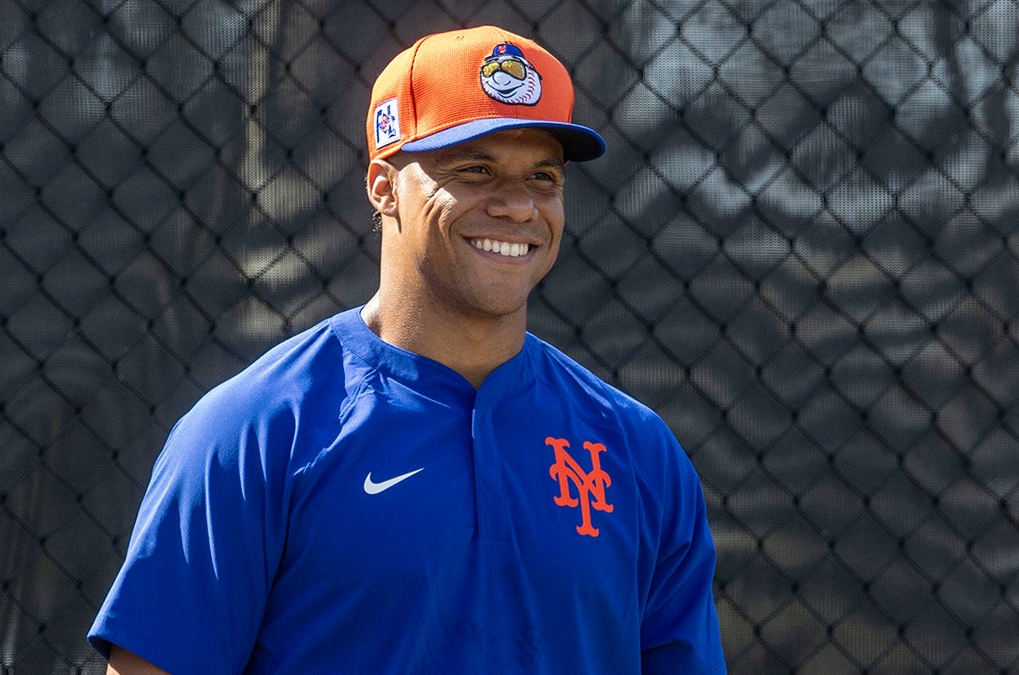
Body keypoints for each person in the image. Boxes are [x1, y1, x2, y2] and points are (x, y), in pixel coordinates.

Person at [89, 25, 726, 674]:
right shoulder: (250, 432)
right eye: (475, 169)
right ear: (383, 186)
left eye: (543, 176)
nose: (516, 206)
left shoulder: (639, 451)